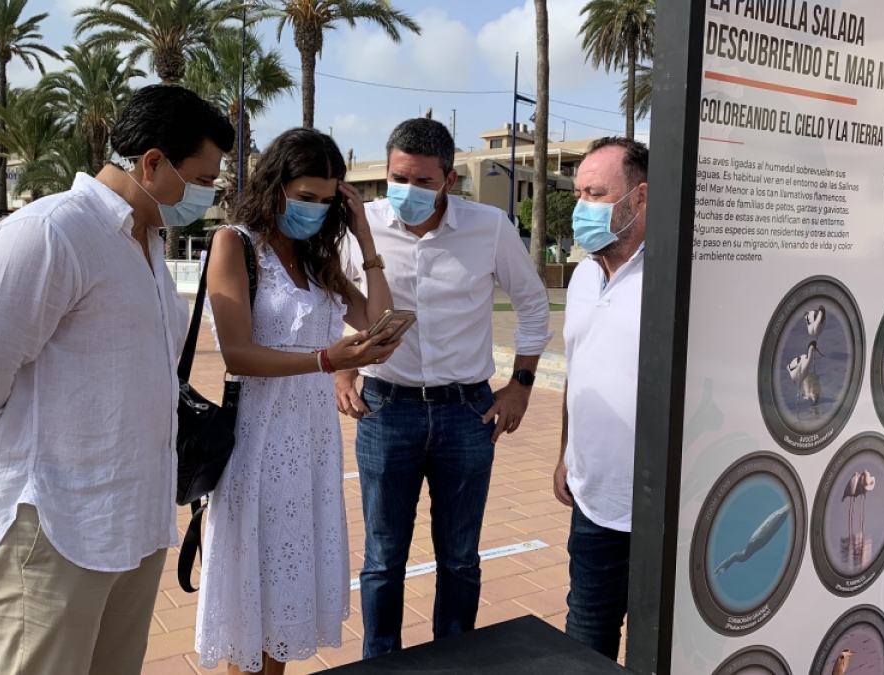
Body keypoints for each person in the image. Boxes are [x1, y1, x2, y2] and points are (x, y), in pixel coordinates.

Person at [0, 85, 233, 675]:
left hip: (132, 519)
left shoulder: (147, 242)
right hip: (54, 524)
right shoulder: (53, 231)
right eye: (201, 179)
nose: (207, 195)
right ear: (151, 163)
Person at [336, 118, 553, 657]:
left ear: (450, 181)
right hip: (386, 407)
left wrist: (521, 384)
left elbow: (532, 303)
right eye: (397, 178)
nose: (407, 191)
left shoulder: (489, 227)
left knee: (459, 558)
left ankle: (453, 661)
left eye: (423, 182)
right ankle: (380, 662)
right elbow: (330, 295)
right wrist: (342, 370)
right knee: (383, 558)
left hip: (466, 412)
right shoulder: (361, 227)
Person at [195, 128, 400, 675]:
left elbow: (377, 322)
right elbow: (237, 353)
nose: (315, 209)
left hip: (311, 444)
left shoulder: (317, 259)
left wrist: (365, 240)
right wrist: (325, 360)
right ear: (276, 187)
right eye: (305, 196)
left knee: (284, 600)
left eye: (327, 200)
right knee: (253, 606)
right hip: (259, 442)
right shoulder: (235, 244)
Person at [553, 136, 649, 660]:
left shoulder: (674, 277)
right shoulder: (585, 275)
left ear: (641, 197)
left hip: (660, 508)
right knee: (587, 638)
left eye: (595, 194)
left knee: (655, 648)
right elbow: (579, 371)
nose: (581, 208)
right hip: (593, 502)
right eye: (578, 194)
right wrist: (566, 455)